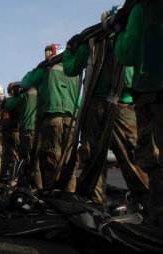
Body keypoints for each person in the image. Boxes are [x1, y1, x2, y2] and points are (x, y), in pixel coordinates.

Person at [62, 7, 149, 210]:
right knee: (133, 157)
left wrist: (68, 50)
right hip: (124, 109)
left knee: (93, 160)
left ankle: (93, 206)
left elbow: (70, 68)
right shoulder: (132, 34)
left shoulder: (92, 41)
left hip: (95, 109)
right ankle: (148, 204)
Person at [114, 0, 163, 228]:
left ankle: (156, 221)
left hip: (153, 93)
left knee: (154, 159)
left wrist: (119, 31)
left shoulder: (142, 8)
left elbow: (126, 54)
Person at [21, 44, 79, 192]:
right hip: (72, 121)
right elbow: (78, 100)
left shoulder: (46, 69)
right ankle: (70, 194)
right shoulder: (74, 69)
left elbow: (25, 83)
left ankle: (53, 195)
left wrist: (38, 67)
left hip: (53, 120)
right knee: (69, 161)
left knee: (52, 159)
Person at [3, 83, 40, 189]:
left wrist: (15, 94)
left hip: (27, 129)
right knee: (37, 158)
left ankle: (31, 187)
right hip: (39, 129)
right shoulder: (39, 92)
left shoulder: (24, 95)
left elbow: (8, 105)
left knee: (26, 158)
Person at [0, 82, 21, 182]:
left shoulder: (9, 102)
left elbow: (5, 120)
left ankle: (11, 179)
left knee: (10, 157)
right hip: (23, 132)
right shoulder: (25, 98)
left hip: (11, 133)